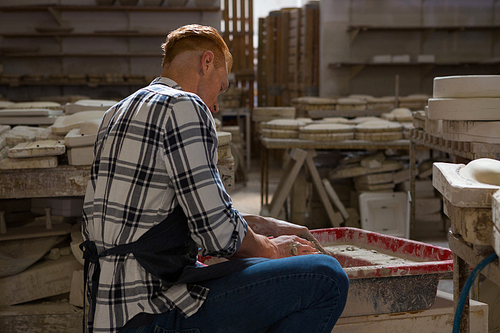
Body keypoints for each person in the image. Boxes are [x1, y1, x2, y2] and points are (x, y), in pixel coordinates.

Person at [81, 24, 348, 333]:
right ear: (206, 62)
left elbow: (166, 217)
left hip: (111, 313)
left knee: (258, 263)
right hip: (152, 312)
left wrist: (269, 226)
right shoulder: (184, 106)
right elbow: (218, 235)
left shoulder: (116, 112)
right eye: (220, 88)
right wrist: (277, 248)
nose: (217, 106)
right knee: (326, 276)